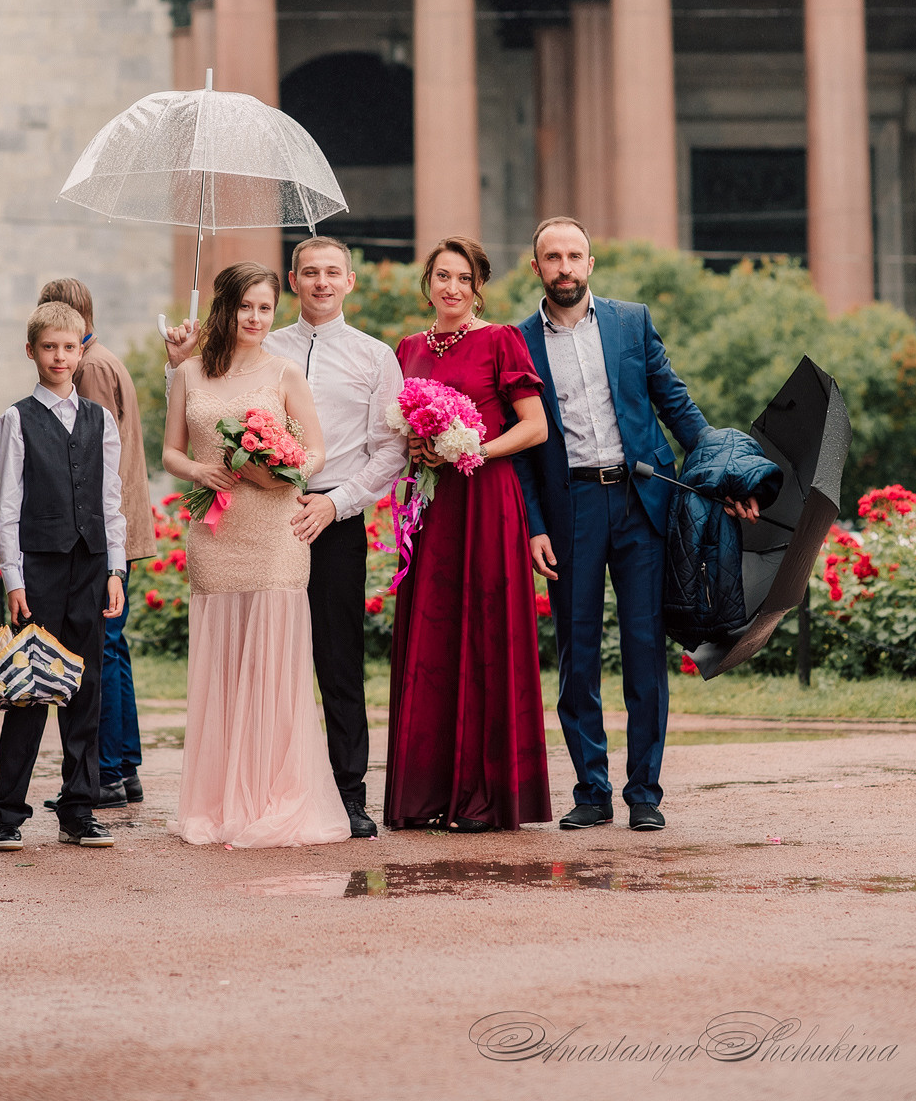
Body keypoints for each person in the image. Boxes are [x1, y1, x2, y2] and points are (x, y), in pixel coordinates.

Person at [165, 236, 404, 839]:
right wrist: (178, 363)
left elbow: (388, 451)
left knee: (338, 662)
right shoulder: (264, 344)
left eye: (333, 272)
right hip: (256, 517)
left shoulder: (375, 356)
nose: (322, 282)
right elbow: (207, 399)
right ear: (293, 282)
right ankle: (251, 786)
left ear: (349, 280)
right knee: (254, 663)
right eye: (310, 272)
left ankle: (348, 794)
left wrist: (333, 502)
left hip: (334, 515)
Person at [514, 216, 719, 834]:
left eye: (574, 256)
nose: (565, 267)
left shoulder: (631, 322)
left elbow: (674, 402)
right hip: (570, 506)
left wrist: (723, 470)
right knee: (576, 654)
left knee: (644, 649)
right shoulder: (516, 341)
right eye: (553, 258)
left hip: (640, 500)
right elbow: (522, 449)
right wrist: (534, 524)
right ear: (536, 268)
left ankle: (645, 792)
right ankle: (592, 790)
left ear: (590, 263)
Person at [385, 236, 553, 833]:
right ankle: (424, 793)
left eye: (463, 278)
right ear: (427, 283)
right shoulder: (408, 348)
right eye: (442, 276)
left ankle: (485, 795)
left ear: (477, 287)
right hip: (431, 507)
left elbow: (534, 427)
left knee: (484, 632)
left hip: (486, 501)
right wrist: (415, 443)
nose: (451, 288)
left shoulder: (501, 340)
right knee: (432, 634)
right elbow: (398, 426)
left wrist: (474, 449)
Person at [0, 301, 127, 850]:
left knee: (85, 687)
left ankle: (78, 809)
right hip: (39, 568)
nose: (60, 357)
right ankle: (6, 813)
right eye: (49, 347)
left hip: (90, 564)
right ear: (32, 351)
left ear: (81, 351)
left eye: (69, 347)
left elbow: (111, 501)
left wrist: (115, 569)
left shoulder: (101, 419)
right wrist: (14, 580)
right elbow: (7, 506)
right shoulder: (17, 418)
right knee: (29, 689)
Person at [37, 277, 156, 812]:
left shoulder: (90, 368)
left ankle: (105, 771)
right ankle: (121, 768)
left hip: (102, 533)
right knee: (111, 647)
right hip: (115, 528)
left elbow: (86, 457)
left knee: (98, 651)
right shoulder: (102, 359)